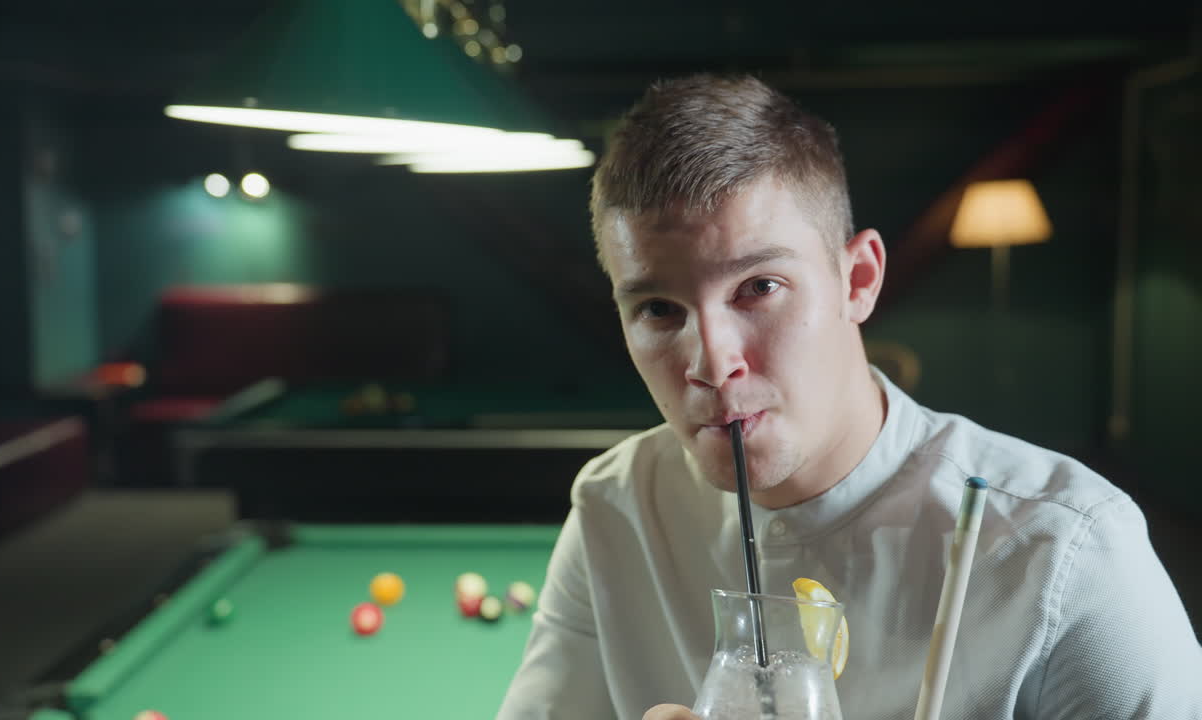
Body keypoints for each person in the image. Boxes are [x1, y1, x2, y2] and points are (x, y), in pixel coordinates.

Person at [494, 74, 1202, 720]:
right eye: (657, 309)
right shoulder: (616, 506)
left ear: (858, 279)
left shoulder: (1068, 550)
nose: (711, 362)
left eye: (758, 288)